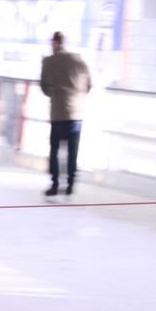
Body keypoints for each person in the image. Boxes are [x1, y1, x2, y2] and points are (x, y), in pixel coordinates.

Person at [40, 31, 91, 197]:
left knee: (55, 150)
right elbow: (88, 85)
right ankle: (70, 184)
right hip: (76, 114)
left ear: (55, 42)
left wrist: (56, 95)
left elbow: (44, 86)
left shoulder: (49, 61)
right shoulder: (79, 60)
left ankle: (55, 184)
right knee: (72, 151)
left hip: (58, 113)